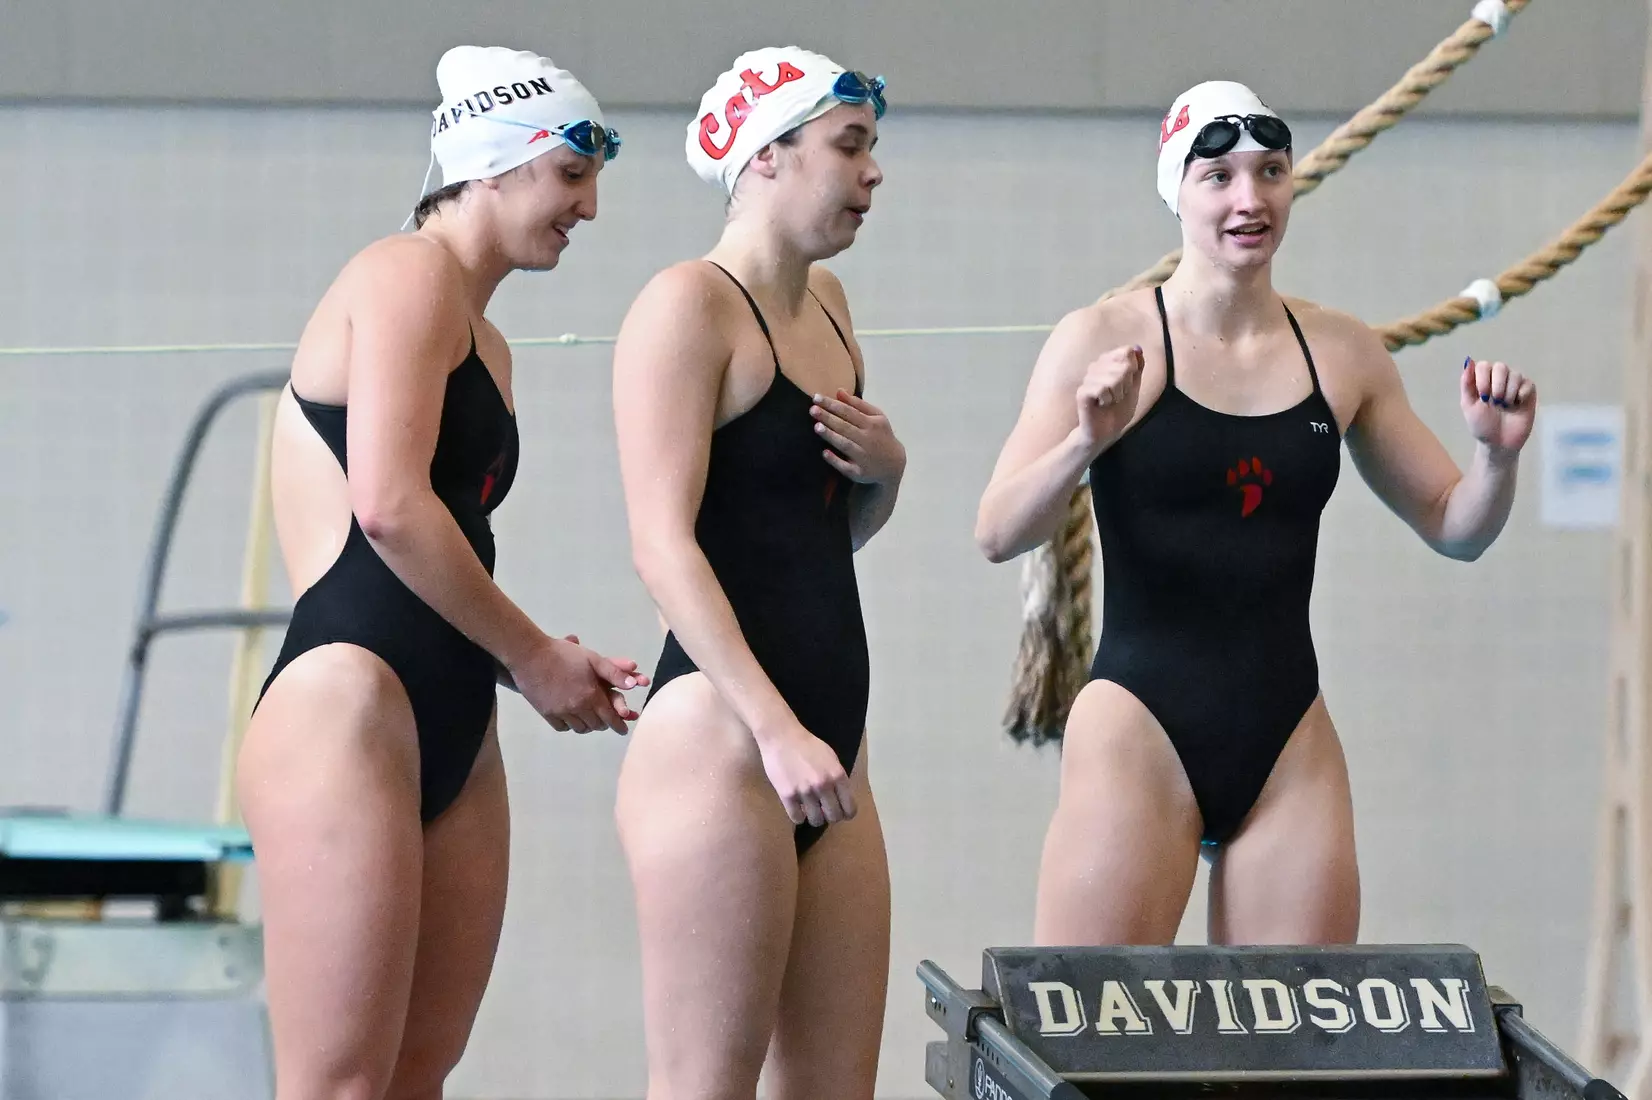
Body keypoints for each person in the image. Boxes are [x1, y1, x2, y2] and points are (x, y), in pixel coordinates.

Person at [975, 80, 1538, 947]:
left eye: (1271, 172)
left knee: (1293, 1062)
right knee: (1094, 1053)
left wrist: (1497, 456)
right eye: (1219, 176)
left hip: (1288, 739)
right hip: (1138, 727)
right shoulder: (1103, 337)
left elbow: (1454, 524)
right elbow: (999, 530)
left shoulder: (1342, 352)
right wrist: (1085, 442)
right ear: (1179, 193)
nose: (1250, 198)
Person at [237, 45, 644, 1100]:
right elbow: (388, 507)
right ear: (495, 165)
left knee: (420, 1073)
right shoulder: (401, 271)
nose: (588, 207)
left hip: (452, 714)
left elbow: (440, 535)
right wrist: (531, 655)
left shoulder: (488, 342)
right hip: (349, 700)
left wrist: (540, 664)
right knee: (339, 1084)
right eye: (571, 173)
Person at [609, 46, 902, 1100]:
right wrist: (774, 727)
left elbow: (813, 542)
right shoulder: (686, 305)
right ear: (768, 154)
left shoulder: (828, 307)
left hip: (830, 743)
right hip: (726, 741)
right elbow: (662, 544)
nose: (872, 175)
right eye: (850, 147)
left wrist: (887, 475)